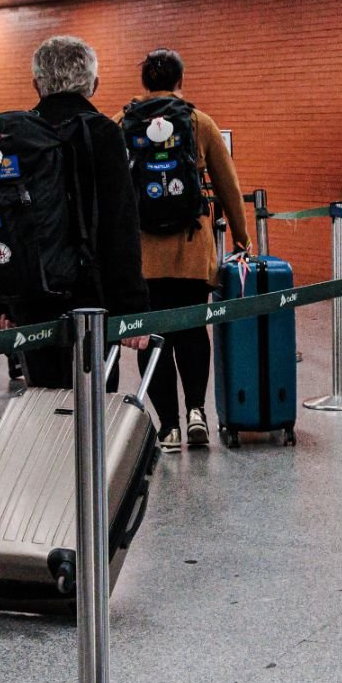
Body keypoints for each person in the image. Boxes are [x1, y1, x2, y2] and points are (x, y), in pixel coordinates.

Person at [0, 36, 151, 388]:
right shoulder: (104, 133)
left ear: (37, 84)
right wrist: (133, 306)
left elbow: (3, 221)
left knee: (44, 396)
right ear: (93, 85)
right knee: (93, 400)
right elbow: (120, 223)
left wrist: (2, 303)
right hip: (91, 297)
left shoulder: (17, 136)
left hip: (32, 292)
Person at [122, 48, 249, 452]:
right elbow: (227, 183)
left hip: (143, 254)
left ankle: (168, 428)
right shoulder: (198, 122)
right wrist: (243, 237)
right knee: (194, 330)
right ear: (181, 80)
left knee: (153, 335)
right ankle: (197, 411)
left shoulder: (122, 122)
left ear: (144, 81)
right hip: (192, 249)